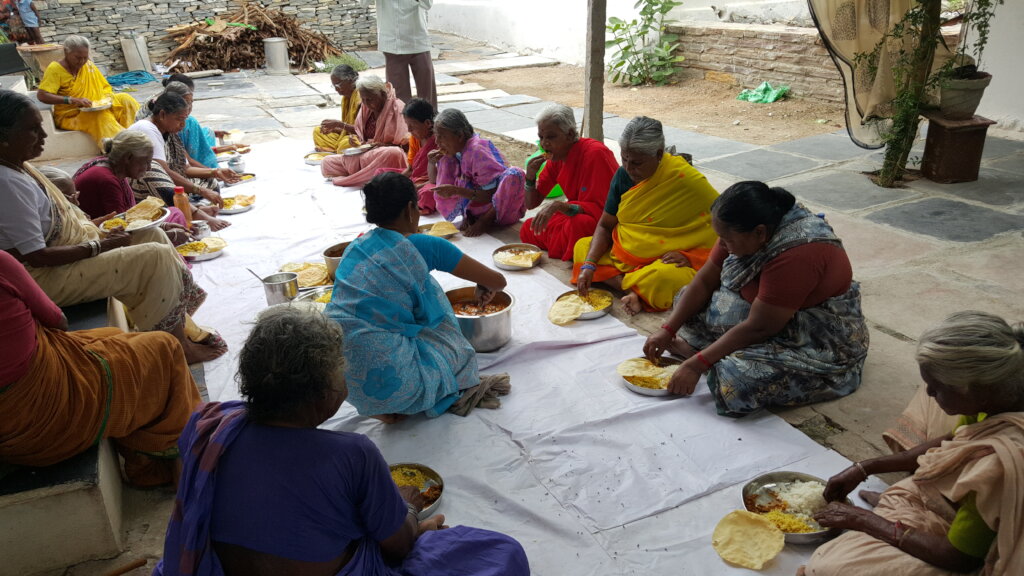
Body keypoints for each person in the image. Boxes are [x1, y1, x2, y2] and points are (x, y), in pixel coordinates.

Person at [154, 307, 529, 576]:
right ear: (322, 396)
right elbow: (396, 545)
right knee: (500, 554)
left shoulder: (209, 426)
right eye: (342, 370)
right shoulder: (354, 454)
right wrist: (408, 513)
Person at [0, 89, 226, 365]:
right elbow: (34, 256)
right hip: (44, 276)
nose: (44, 136)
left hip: (64, 254)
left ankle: (178, 324)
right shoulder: (7, 183)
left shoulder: (18, 167)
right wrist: (98, 244)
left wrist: (98, 229)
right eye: (33, 130)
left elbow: (60, 225)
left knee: (150, 231)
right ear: (3, 137)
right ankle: (175, 348)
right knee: (153, 256)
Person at [803, 311, 1024, 576]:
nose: (930, 392)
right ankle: (918, 516)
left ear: (980, 390)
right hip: (974, 502)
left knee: (829, 567)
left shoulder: (1001, 461)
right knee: (923, 469)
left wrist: (865, 520)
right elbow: (950, 443)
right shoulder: (996, 393)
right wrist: (865, 468)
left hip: (974, 551)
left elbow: (959, 558)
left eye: (937, 387)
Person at [643, 181, 868, 416]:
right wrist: (668, 329)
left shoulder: (797, 254)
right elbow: (704, 281)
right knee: (685, 299)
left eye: (726, 240)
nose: (721, 245)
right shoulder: (740, 230)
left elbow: (760, 327)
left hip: (812, 337)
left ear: (760, 232)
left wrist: (697, 364)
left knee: (737, 381)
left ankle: (702, 355)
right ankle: (708, 354)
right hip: (761, 316)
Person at [0, 251, 202, 487]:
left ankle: (143, 447)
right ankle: (174, 464)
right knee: (164, 348)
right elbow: (58, 322)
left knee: (111, 337)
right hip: (51, 428)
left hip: (9, 441)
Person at [327, 172, 511, 422]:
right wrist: (482, 282)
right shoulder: (423, 246)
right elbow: (498, 282)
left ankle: (380, 406)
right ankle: (407, 398)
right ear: (411, 208)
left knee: (400, 306)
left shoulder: (356, 247)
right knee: (445, 330)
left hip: (342, 376)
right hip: (395, 382)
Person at [573, 116, 718, 314]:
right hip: (624, 251)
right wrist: (589, 265)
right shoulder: (623, 175)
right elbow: (606, 225)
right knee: (582, 247)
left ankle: (630, 286)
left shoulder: (685, 179)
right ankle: (634, 290)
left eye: (637, 162)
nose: (629, 168)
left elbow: (722, 229)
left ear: (659, 154)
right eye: (624, 159)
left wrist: (691, 257)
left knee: (664, 278)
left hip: (663, 262)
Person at [519, 104, 618, 260]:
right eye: (541, 137)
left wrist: (559, 205)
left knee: (579, 224)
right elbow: (531, 203)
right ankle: (570, 248)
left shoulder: (595, 154)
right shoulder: (555, 158)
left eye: (551, 137)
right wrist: (530, 177)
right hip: (573, 217)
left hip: (601, 223)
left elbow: (606, 211)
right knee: (528, 227)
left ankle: (574, 250)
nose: (544, 144)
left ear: (570, 135)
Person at [127, 90, 233, 232]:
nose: (183, 125)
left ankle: (192, 207)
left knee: (210, 183)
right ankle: (196, 212)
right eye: (179, 119)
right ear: (163, 114)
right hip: (141, 189)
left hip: (166, 182)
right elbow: (163, 172)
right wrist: (201, 191)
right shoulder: (147, 129)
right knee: (154, 172)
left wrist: (215, 172)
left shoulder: (168, 131)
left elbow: (184, 168)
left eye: (185, 119)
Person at [72, 131, 192, 237]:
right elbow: (122, 228)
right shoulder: (107, 180)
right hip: (97, 236)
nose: (149, 168)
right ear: (128, 158)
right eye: (146, 162)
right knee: (174, 217)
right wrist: (166, 231)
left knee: (172, 213)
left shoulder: (110, 165)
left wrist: (164, 226)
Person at [429, 108, 526, 237]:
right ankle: (469, 215)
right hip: (479, 203)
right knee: (446, 159)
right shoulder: (457, 151)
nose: (437, 142)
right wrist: (431, 162)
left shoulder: (477, 151)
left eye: (442, 137)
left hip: (501, 207)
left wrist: (456, 190)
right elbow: (433, 181)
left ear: (459, 136)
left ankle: (485, 220)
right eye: (436, 136)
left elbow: (491, 194)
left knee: (515, 174)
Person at [35, 36, 140, 147]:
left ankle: (138, 135)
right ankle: (121, 147)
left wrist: (106, 99)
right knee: (99, 115)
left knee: (125, 98)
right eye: (77, 57)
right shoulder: (55, 69)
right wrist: (71, 100)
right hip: (71, 114)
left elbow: (104, 87)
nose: (82, 61)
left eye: (85, 57)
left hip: (96, 104)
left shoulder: (88, 65)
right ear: (66, 52)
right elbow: (42, 95)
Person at [321, 75, 408, 188]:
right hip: (366, 156)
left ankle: (361, 175)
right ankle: (369, 174)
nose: (366, 103)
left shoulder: (398, 107)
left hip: (385, 155)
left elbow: (407, 146)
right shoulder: (365, 107)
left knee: (393, 152)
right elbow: (361, 134)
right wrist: (356, 141)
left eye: (370, 99)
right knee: (326, 162)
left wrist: (383, 145)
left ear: (382, 94)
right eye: (363, 99)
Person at [376, 0, 437, 109]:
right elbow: (363, 3)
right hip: (392, 42)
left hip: (417, 39)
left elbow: (427, 4)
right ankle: (403, 124)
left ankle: (430, 122)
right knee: (399, 96)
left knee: (427, 91)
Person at [401, 97, 439, 214]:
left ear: (428, 123)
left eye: (412, 126)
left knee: (427, 194)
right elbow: (411, 169)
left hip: (436, 181)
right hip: (417, 179)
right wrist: (396, 182)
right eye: (407, 125)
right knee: (383, 175)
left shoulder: (440, 139)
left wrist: (413, 188)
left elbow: (441, 178)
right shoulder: (415, 138)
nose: (409, 130)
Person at [313, 64, 362, 153]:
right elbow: (347, 129)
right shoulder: (346, 98)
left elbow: (362, 130)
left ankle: (335, 151)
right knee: (318, 131)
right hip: (350, 134)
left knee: (345, 144)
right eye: (333, 85)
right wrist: (334, 128)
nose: (336, 89)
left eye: (338, 85)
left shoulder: (361, 98)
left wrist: (339, 124)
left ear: (350, 81)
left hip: (360, 137)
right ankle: (335, 151)